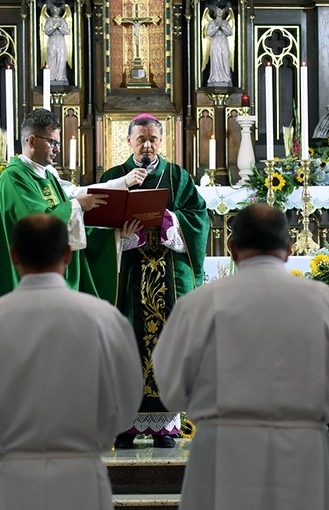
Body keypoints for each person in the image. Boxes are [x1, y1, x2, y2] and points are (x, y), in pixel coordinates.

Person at [153, 204, 329, 509]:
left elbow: (169, 388)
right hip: (304, 452)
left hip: (223, 450)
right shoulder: (325, 302)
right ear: (288, 249)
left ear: (232, 248)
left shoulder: (198, 304)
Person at [0, 214, 143, 510]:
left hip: (11, 478)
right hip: (81, 477)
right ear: (68, 253)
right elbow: (128, 403)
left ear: (13, 255)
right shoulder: (105, 319)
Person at [101, 113, 209, 448]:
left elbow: (199, 217)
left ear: (162, 142)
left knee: (168, 344)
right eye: (140, 139)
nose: (147, 146)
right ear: (128, 141)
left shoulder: (178, 177)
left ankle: (166, 425)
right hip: (128, 272)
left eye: (153, 140)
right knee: (126, 342)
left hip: (170, 272)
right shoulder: (114, 177)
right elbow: (96, 223)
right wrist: (120, 236)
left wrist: (171, 221)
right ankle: (125, 422)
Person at [0, 108, 145, 306]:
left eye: (58, 143)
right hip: (30, 282)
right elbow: (36, 224)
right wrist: (78, 205)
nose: (57, 149)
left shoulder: (48, 176)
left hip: (57, 279)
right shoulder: (14, 177)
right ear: (32, 141)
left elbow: (70, 226)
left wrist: (113, 235)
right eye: (52, 142)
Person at [202, 1, 234, 87]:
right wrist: (217, 27)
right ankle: (215, 77)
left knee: (224, 58)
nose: (220, 12)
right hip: (215, 43)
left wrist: (222, 27)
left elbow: (230, 32)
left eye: (222, 10)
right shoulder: (212, 23)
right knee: (216, 60)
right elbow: (208, 33)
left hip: (223, 42)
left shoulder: (225, 22)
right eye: (218, 10)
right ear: (215, 11)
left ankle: (225, 77)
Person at [41, 1, 71, 83]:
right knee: (52, 57)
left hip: (60, 40)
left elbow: (67, 31)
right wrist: (54, 26)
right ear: (51, 10)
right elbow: (47, 31)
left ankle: (61, 76)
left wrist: (60, 27)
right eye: (54, 8)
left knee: (61, 57)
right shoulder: (49, 20)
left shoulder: (63, 20)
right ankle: (51, 76)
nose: (56, 10)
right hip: (52, 40)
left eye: (58, 9)